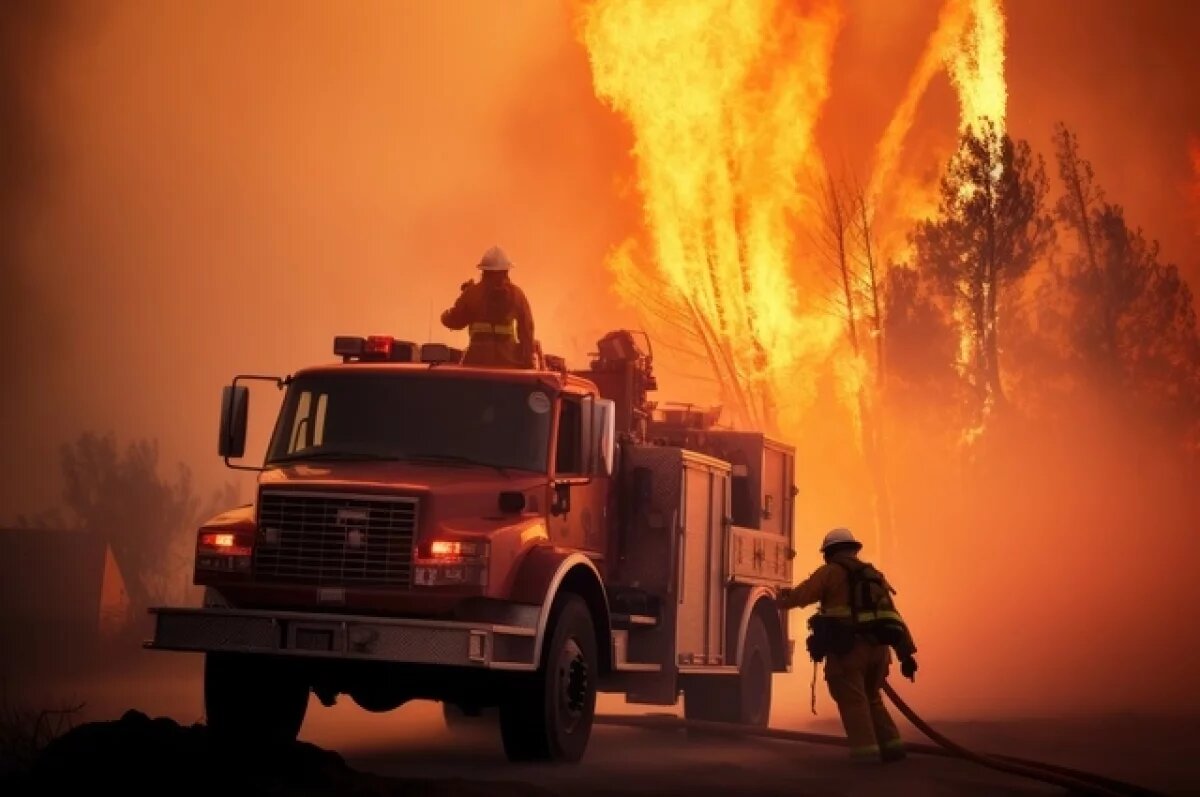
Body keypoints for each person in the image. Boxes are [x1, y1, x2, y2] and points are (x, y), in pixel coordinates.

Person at [778, 527, 918, 764]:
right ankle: (892, 748)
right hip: (879, 652)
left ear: (829, 552)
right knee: (872, 698)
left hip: (849, 652)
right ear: (853, 549)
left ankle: (866, 755)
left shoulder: (831, 572)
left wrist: (778, 601)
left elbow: (803, 595)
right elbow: (893, 616)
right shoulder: (873, 575)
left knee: (854, 703)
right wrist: (906, 655)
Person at [440, 245, 535, 369]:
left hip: (477, 361)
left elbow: (454, 321)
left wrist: (445, 314)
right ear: (507, 270)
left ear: (483, 271)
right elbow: (527, 330)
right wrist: (527, 363)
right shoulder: (517, 294)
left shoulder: (473, 293)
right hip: (508, 362)